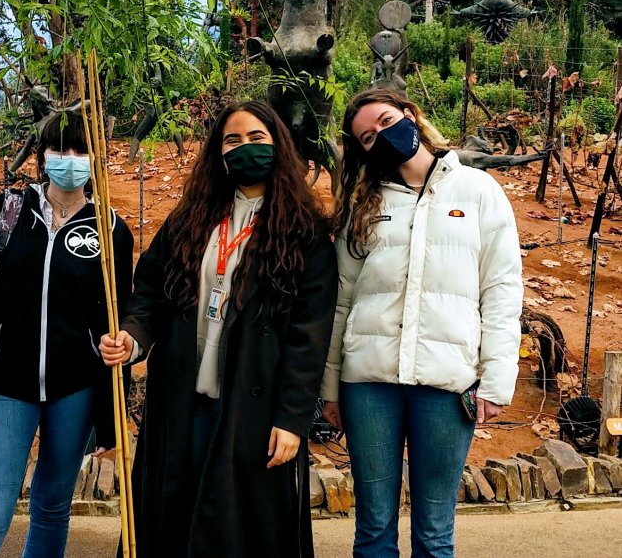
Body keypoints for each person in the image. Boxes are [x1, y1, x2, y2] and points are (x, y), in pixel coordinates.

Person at [101, 100, 338, 558]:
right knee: (174, 519)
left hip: (252, 409)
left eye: (256, 139)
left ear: (278, 146)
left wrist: (291, 420)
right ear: (218, 151)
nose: (244, 148)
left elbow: (309, 336)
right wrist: (132, 337)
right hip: (182, 402)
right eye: (233, 140)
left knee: (236, 533)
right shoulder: (191, 218)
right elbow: (150, 290)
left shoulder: (304, 232)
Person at [321, 88, 523, 558]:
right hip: (368, 384)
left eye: (387, 122)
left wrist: (496, 379)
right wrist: (330, 387)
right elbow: (341, 300)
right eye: (368, 138)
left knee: (434, 532)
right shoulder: (363, 206)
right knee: (373, 529)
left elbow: (501, 289)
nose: (382, 137)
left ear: (410, 114)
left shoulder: (477, 191)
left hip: (446, 384)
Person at [0, 110, 133, 558]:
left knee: (52, 510)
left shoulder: (110, 231)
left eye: (79, 150)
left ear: (95, 158)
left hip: (76, 389)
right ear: (42, 155)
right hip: (6, 385)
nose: (69, 159)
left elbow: (119, 319)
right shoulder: (7, 211)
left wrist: (114, 395)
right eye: (58, 149)